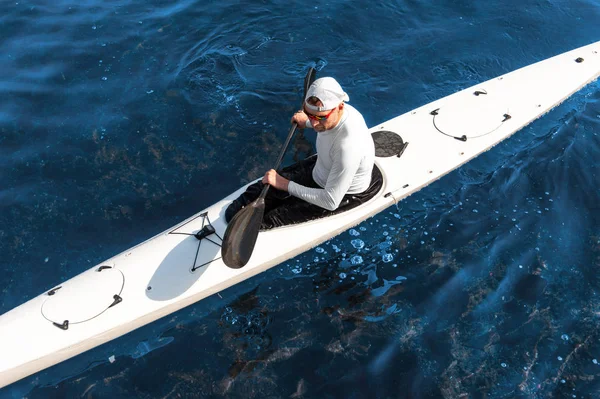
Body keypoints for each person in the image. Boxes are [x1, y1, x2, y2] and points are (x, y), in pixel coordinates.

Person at [225, 77, 379, 229]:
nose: (314, 122)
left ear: (340, 107)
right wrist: (305, 121)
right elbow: (318, 121)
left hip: (341, 195)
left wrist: (285, 185)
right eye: (309, 114)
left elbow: (330, 202)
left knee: (270, 219)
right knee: (253, 195)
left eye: (319, 117)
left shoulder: (349, 147)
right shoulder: (329, 117)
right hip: (321, 170)